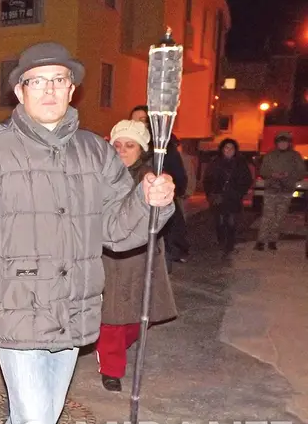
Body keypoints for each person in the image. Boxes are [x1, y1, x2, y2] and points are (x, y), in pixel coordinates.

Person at [0, 42, 175, 424]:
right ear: (20, 91)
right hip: (13, 309)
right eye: (37, 81)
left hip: (74, 307)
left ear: (72, 89)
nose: (49, 90)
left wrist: (150, 203)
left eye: (59, 80)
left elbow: (118, 232)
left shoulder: (96, 153)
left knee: (40, 415)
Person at [97, 120, 177, 392]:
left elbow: (164, 209)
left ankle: (116, 348)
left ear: (141, 149)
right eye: (117, 145)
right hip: (109, 256)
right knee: (112, 318)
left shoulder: (150, 177)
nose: (122, 150)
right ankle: (111, 368)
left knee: (138, 316)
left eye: (129, 145)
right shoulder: (101, 174)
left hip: (141, 256)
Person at [131, 105, 189, 265]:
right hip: (134, 209)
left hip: (159, 205)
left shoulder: (163, 147)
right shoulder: (126, 144)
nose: (138, 124)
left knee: (159, 252)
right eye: (134, 120)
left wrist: (165, 189)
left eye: (142, 120)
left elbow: (179, 177)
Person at [203, 139, 254, 256]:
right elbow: (208, 180)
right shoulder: (215, 163)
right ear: (222, 149)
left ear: (235, 150)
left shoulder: (240, 163)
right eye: (226, 147)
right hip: (218, 197)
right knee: (219, 221)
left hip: (233, 198)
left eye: (232, 148)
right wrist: (210, 194)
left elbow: (247, 180)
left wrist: (239, 192)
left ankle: (230, 244)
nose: (229, 150)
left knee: (231, 222)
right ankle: (221, 242)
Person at [256, 131, 305, 251]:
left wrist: (288, 175)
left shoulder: (295, 156)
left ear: (289, 143)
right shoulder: (270, 156)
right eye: (280, 142)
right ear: (277, 143)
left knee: (279, 217)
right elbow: (262, 172)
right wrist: (272, 174)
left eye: (285, 142)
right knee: (267, 216)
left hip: (286, 190)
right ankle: (261, 241)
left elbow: (301, 173)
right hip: (271, 189)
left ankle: (273, 240)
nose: (283, 144)